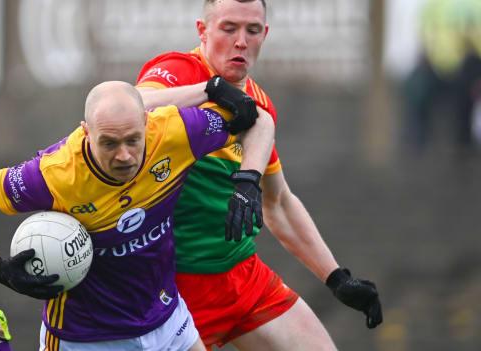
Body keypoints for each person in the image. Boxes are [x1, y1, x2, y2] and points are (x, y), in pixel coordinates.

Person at [0, 79, 274, 350]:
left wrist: (248, 181)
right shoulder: (55, 175)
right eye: (109, 144)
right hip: (84, 336)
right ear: (86, 132)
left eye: (133, 140)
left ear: (147, 122)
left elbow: (257, 120)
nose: (124, 155)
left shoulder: (176, 133)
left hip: (167, 316)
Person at [135, 0, 383, 349]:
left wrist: (336, 278)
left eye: (252, 30)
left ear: (264, 35)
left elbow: (278, 202)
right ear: (202, 31)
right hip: (175, 292)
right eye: (228, 28)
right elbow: (129, 107)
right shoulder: (178, 70)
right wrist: (210, 91)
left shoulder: (259, 105)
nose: (241, 41)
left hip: (242, 278)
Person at [402, 0, 481, 152]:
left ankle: (464, 149)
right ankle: (417, 147)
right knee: (415, 88)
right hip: (437, 67)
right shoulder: (435, 4)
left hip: (470, 69)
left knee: (466, 101)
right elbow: (424, 33)